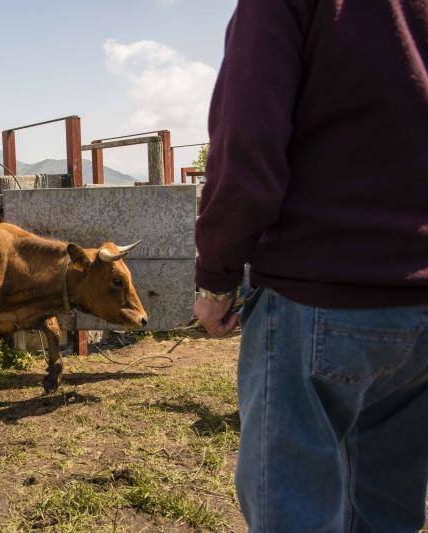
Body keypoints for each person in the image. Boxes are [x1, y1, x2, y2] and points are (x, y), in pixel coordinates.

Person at [193, 1, 428, 531]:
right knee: (386, 508)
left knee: (292, 510)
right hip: (420, 304)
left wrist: (216, 279)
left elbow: (246, 142)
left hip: (321, 294)